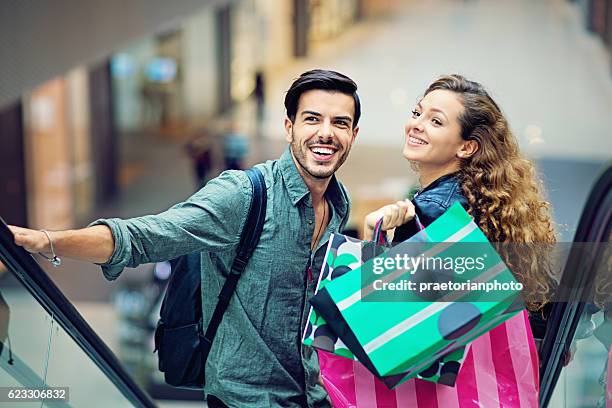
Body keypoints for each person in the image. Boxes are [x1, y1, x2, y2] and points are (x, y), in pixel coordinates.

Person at [9, 69, 361, 408]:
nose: (326, 133)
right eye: (312, 119)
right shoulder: (243, 195)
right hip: (245, 399)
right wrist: (46, 240)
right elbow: (142, 237)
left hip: (310, 394)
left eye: (340, 123)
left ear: (353, 135)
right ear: (289, 127)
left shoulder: (338, 204)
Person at [363, 74, 556, 317]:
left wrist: (372, 235)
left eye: (435, 121)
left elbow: (390, 312)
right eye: (416, 113)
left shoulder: (432, 211)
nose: (416, 125)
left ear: (466, 147)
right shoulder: (487, 201)